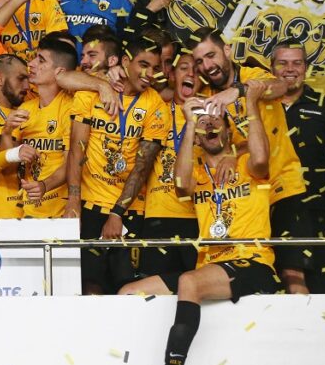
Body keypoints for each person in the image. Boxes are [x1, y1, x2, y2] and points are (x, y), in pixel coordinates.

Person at [120, 86, 283, 365]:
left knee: (189, 281)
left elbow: (260, 157)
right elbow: (180, 185)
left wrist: (251, 100)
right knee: (129, 292)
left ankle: (174, 362)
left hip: (253, 263)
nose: (209, 125)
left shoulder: (247, 165)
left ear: (228, 132)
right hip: (209, 267)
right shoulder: (197, 174)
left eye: (216, 120)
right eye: (203, 122)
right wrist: (190, 122)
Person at [190, 28, 309, 294]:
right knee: (250, 276)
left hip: (281, 187)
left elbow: (281, 86)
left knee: (292, 273)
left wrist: (238, 91)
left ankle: (303, 321)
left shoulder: (251, 75)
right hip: (246, 199)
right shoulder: (206, 96)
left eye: (211, 55)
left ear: (227, 51)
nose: (207, 66)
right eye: (199, 61)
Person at [68, 31, 167, 293]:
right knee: (88, 285)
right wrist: (73, 201)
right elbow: (77, 151)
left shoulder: (156, 106)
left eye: (155, 68)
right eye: (143, 64)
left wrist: (117, 213)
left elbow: (142, 167)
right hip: (90, 205)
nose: (149, 74)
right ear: (125, 61)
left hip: (129, 211)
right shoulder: (92, 91)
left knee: (127, 287)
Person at [272, 41, 325, 293]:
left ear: (305, 67)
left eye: (297, 63)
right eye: (283, 63)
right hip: (269, 214)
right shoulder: (261, 105)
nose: (290, 69)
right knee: (285, 292)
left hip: (319, 214)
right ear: (271, 68)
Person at [139, 49, 199, 278]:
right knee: (152, 288)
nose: (191, 73)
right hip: (158, 216)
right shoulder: (156, 110)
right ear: (172, 75)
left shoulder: (209, 115)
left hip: (197, 216)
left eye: (196, 70)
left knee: (197, 288)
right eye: (184, 68)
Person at [8, 35, 78, 218]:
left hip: (59, 212)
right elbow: (7, 164)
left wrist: (44, 185)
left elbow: (71, 162)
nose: (31, 64)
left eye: (41, 60)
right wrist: (6, 132)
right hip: (28, 211)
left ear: (59, 71)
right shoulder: (25, 108)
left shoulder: (70, 108)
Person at [0, 54, 33, 218]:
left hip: (35, 212)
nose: (27, 86)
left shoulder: (31, 110)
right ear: (0, 78)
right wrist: (7, 133)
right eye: (21, 79)